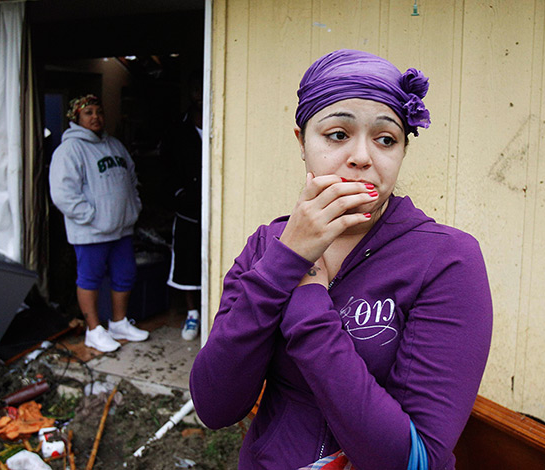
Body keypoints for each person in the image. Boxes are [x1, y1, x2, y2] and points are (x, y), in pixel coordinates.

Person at [189, 49, 493, 470]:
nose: (363, 157)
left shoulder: (446, 259)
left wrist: (309, 301)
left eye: (386, 139)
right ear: (302, 141)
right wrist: (284, 262)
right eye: (337, 134)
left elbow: (412, 461)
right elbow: (215, 405)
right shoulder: (266, 246)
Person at [49, 94, 149, 353]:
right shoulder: (69, 150)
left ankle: (118, 323)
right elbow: (62, 193)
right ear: (77, 118)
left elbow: (132, 178)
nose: (95, 116)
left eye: (98, 111)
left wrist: (133, 207)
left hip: (122, 227)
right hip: (91, 231)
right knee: (90, 278)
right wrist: (91, 216)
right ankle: (94, 331)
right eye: (88, 112)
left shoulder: (115, 145)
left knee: (125, 274)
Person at [164, 79, 203, 341]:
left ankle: (214, 311)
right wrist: (179, 194)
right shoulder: (178, 130)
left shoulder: (219, 122)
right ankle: (192, 314)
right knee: (187, 264)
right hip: (189, 210)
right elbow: (165, 168)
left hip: (213, 208)